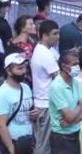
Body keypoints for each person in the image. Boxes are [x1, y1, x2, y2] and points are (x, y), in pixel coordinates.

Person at [0, 53, 36, 154]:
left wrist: (34, 115)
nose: (24, 71)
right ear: (9, 71)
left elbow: (28, 113)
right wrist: (11, 147)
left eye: (25, 68)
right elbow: (1, 125)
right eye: (20, 68)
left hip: (28, 142)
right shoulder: (2, 93)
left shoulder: (26, 87)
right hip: (12, 143)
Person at [49, 50, 82, 154]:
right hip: (61, 138)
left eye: (78, 64)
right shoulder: (56, 86)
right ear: (64, 67)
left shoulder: (75, 81)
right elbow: (70, 116)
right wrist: (79, 106)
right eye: (74, 64)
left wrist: (73, 121)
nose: (77, 67)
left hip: (75, 133)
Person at [31, 19, 60, 154]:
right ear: (44, 35)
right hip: (45, 105)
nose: (57, 37)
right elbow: (59, 78)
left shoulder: (44, 50)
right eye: (54, 34)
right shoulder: (45, 54)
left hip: (43, 103)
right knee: (43, 145)